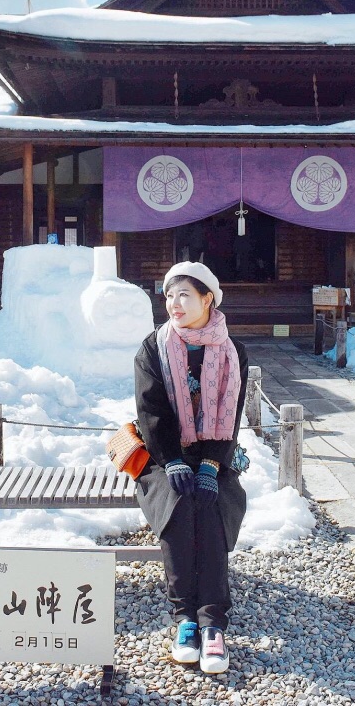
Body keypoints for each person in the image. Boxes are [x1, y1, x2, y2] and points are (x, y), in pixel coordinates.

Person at [133, 261, 248, 674]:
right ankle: (185, 617)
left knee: (212, 502)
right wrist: (175, 461)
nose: (174, 304)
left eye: (184, 295)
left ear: (207, 299)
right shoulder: (153, 347)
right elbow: (151, 412)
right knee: (179, 503)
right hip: (164, 454)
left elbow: (230, 416)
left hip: (213, 454)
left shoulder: (232, 350)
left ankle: (213, 621)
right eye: (168, 295)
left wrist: (213, 464)